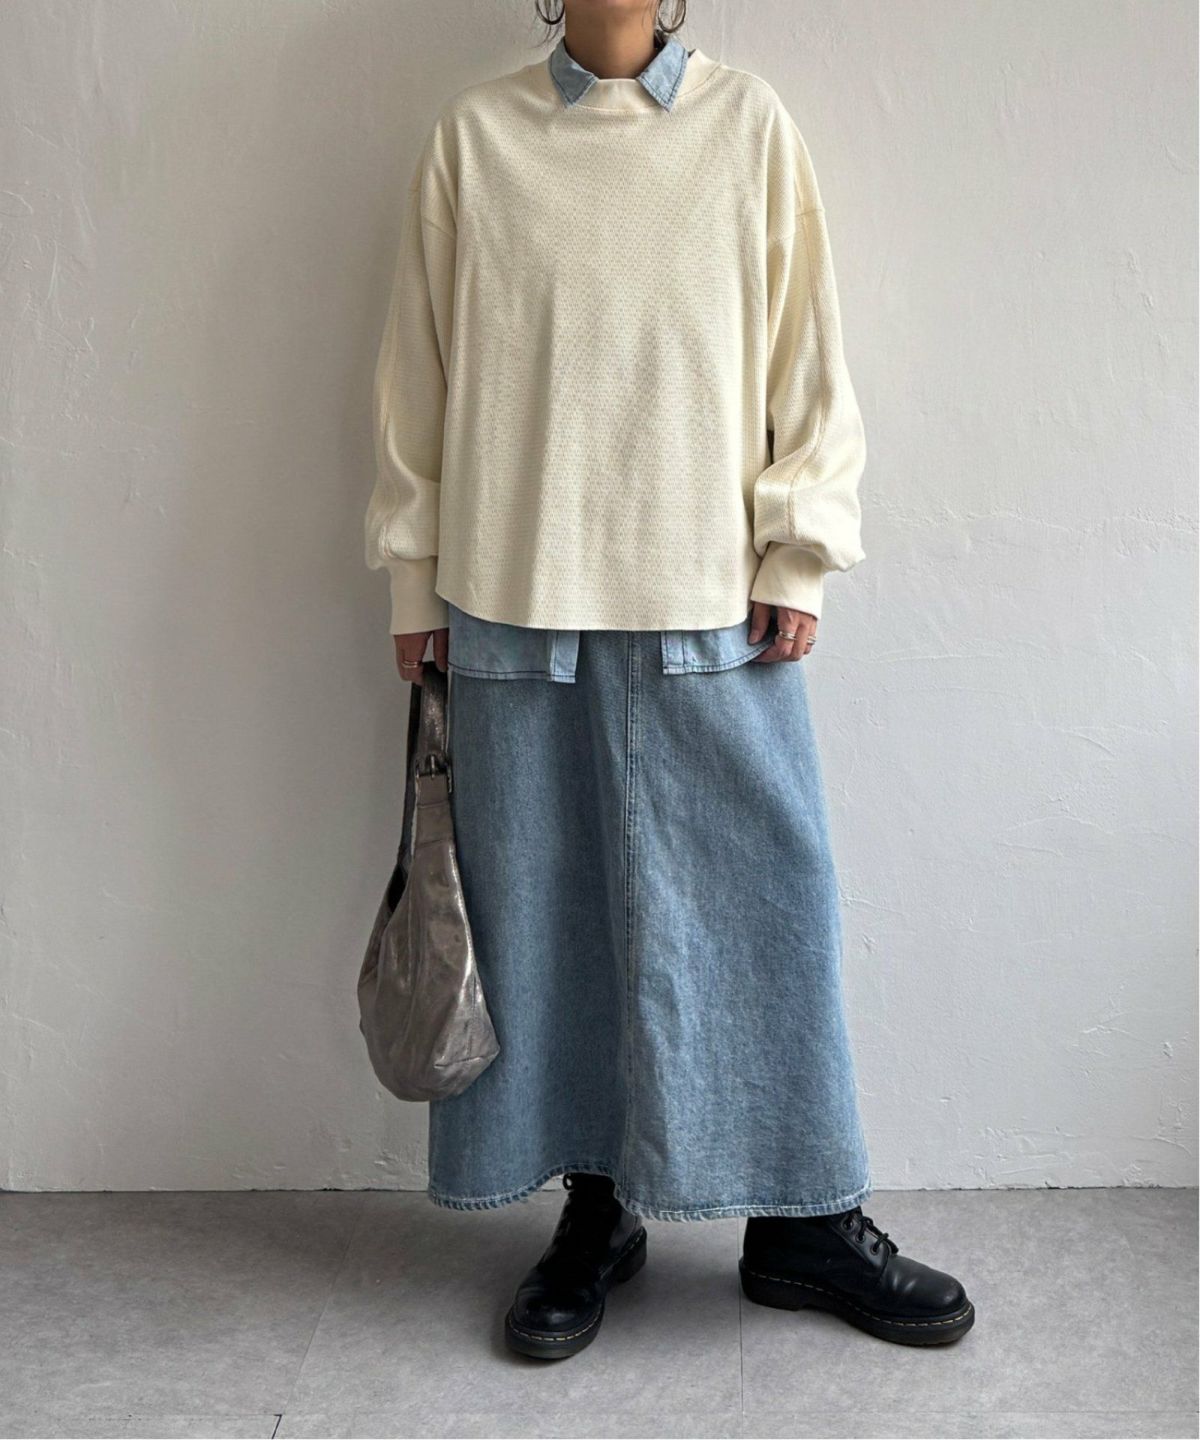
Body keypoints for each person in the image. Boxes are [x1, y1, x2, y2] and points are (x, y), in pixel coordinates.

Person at [365, 0, 974, 1358]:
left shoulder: (747, 127)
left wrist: (799, 548)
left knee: (769, 899)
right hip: (515, 596)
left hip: (712, 598)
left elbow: (806, 353)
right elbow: (418, 374)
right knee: (553, 923)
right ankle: (597, 1209)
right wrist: (414, 577)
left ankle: (803, 1220)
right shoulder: (475, 139)